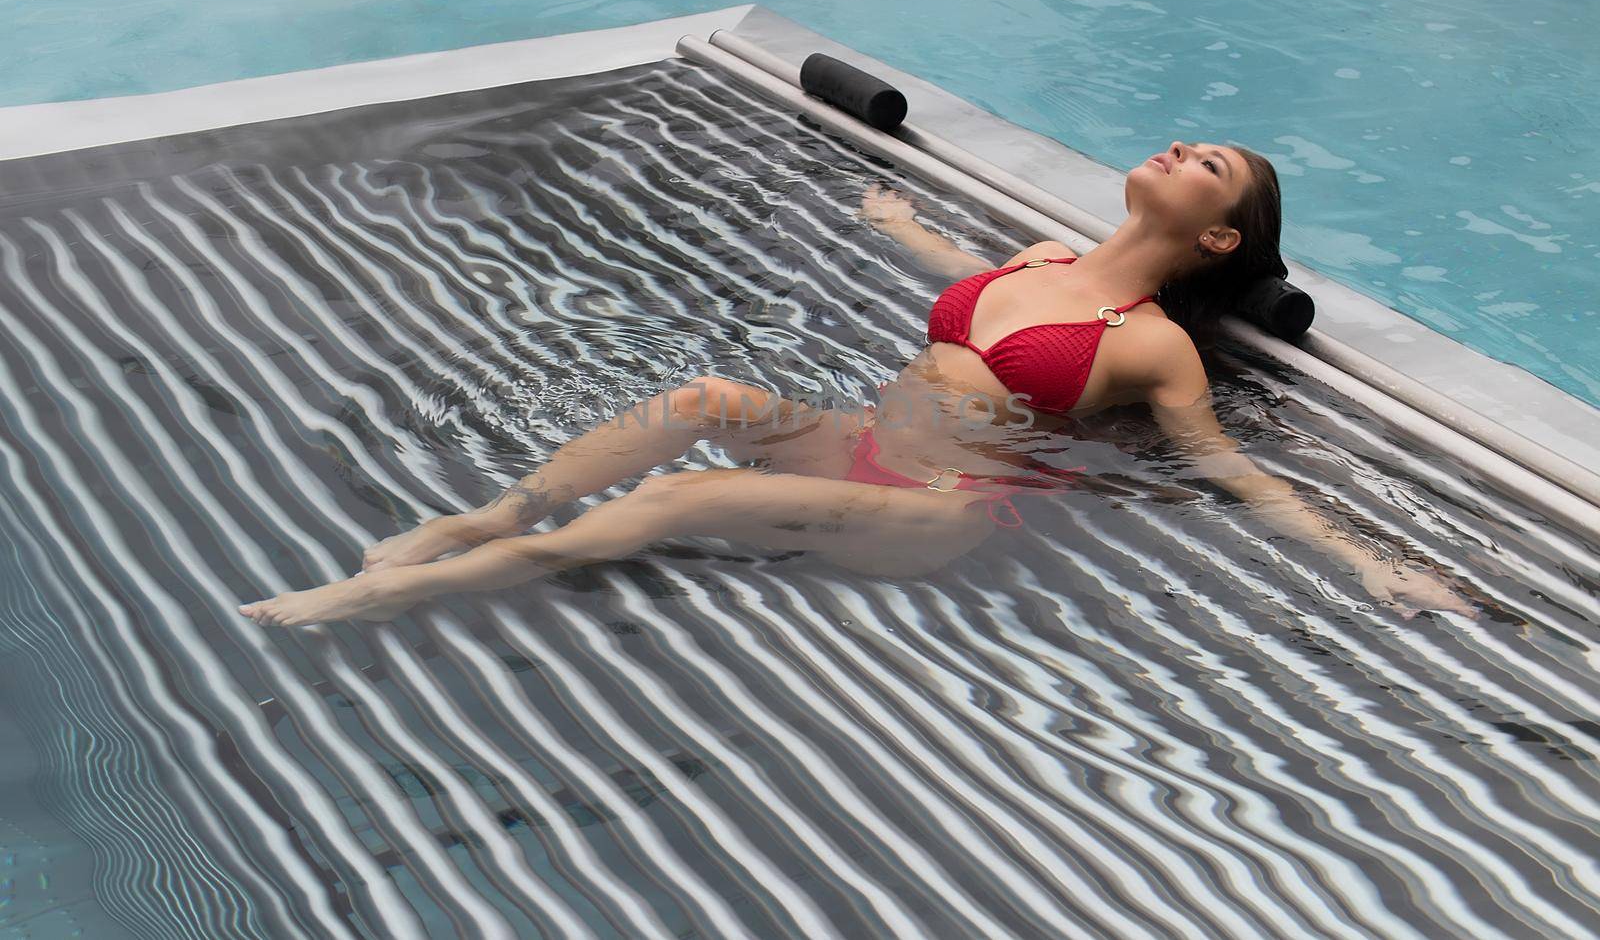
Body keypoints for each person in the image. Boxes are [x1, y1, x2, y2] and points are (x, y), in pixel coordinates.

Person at [239, 141, 1477, 626]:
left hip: (935, 509)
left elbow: (1222, 463)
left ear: (1220, 237)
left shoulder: (1148, 339)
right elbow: (967, 278)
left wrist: (1363, 558)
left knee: (681, 502)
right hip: (854, 445)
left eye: (1210, 164)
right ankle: (489, 517)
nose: (1178, 147)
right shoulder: (1043, 257)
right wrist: (897, 223)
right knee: (701, 400)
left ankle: (409, 593)